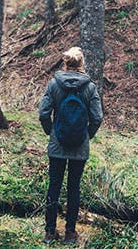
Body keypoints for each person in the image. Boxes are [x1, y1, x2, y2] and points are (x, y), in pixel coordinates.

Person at [38, 47, 103, 244]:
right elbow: (97, 117)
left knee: (54, 186)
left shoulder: (54, 84)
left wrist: (51, 132)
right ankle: (70, 233)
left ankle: (50, 233)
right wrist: (87, 135)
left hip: (57, 144)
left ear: (65, 63)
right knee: (74, 188)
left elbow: (43, 113)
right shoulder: (90, 87)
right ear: (82, 64)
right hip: (79, 145)